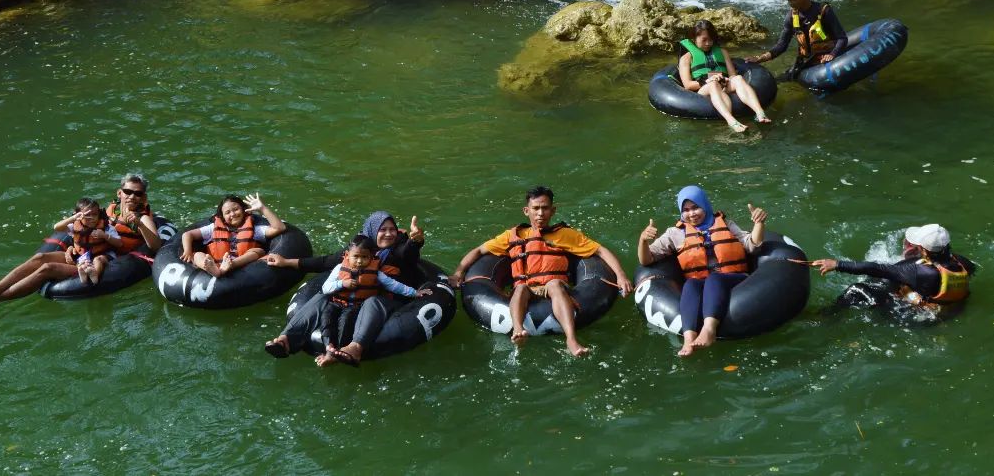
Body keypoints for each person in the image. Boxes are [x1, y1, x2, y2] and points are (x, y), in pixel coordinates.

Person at [449, 186, 633, 358]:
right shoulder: (513, 236)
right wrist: (458, 273)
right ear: (526, 211)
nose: (540, 213)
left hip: (554, 287)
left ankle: (571, 339)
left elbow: (600, 250)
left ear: (553, 211)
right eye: (535, 208)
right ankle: (518, 331)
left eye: (545, 208)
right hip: (528, 288)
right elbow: (479, 251)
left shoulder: (566, 235)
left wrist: (621, 275)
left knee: (553, 284)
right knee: (520, 288)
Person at [0, 173, 163, 307]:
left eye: (138, 193)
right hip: (85, 253)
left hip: (105, 261)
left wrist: (139, 224)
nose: (132, 197)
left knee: (47, 269)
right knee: (41, 258)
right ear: (120, 193)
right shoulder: (110, 210)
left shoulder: (143, 218)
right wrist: (70, 249)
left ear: (143, 197)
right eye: (128, 192)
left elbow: (155, 246)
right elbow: (82, 231)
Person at [263, 210, 426, 367]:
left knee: (372, 300)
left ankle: (355, 348)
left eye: (392, 230)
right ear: (372, 230)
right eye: (383, 230)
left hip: (389, 300)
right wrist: (286, 262)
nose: (389, 234)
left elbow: (408, 253)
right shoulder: (358, 250)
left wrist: (415, 242)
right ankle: (287, 339)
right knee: (323, 295)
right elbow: (324, 262)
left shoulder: (398, 250)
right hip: (352, 298)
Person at [637, 185, 766, 356]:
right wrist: (643, 240)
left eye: (696, 207)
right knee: (690, 284)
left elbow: (752, 245)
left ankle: (709, 330)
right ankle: (689, 338)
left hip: (735, 278)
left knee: (715, 279)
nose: (692, 214)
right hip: (701, 282)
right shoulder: (675, 233)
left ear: (705, 205)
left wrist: (759, 224)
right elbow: (646, 260)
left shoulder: (726, 224)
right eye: (686, 210)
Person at [306, 235, 431, 367]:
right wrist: (342, 283)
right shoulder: (339, 269)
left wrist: (414, 292)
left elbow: (394, 285)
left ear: (371, 257)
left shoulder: (376, 273)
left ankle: (339, 352)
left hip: (356, 307)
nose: (359, 261)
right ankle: (329, 349)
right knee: (327, 316)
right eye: (356, 257)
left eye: (364, 257)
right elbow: (326, 288)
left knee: (346, 320)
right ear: (348, 255)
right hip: (337, 303)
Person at [811, 224, 976, 317]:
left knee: (856, 290)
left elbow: (878, 269)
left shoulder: (918, 271)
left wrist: (837, 264)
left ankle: (823, 318)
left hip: (916, 318)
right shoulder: (963, 262)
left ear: (924, 251)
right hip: (948, 313)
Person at [677, 19, 772, 132]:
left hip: (723, 84)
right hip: (704, 89)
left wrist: (727, 79)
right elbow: (687, 85)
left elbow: (732, 75)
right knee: (713, 85)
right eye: (704, 40)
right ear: (694, 38)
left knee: (738, 78)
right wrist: (707, 80)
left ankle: (760, 113)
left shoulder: (722, 52)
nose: (708, 43)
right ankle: (732, 121)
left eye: (711, 40)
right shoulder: (686, 58)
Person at [745, 0, 848, 79]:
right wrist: (759, 59)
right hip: (806, 61)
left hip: (826, 58)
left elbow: (842, 38)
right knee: (780, 79)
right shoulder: (791, 17)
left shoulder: (824, 11)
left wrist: (832, 54)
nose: (789, 2)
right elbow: (782, 45)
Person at [179, 193, 286, 277]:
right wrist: (187, 251)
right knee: (197, 255)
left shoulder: (255, 229)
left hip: (239, 266)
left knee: (257, 251)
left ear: (244, 210)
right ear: (222, 217)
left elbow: (279, 228)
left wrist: (262, 208)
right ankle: (212, 270)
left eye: (236, 209)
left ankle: (230, 265)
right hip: (215, 264)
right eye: (228, 212)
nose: (233, 214)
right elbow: (188, 234)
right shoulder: (213, 228)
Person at [59, 198, 115, 285]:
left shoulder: (106, 227)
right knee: (82, 263)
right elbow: (56, 227)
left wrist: (105, 236)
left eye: (95, 214)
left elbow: (119, 244)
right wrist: (73, 218)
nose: (92, 218)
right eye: (88, 215)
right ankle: (83, 272)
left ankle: (95, 275)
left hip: (103, 254)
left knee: (98, 260)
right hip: (84, 255)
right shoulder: (74, 226)